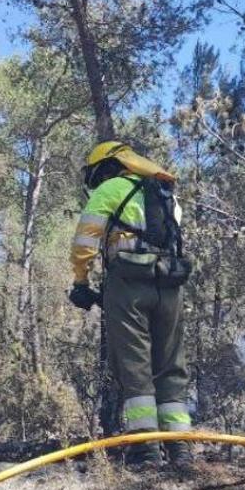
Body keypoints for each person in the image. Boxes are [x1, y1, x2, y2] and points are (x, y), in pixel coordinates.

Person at [69, 141, 195, 469]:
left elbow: (85, 241)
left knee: (134, 364)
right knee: (170, 364)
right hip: (169, 284)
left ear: (107, 167)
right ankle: (180, 449)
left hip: (127, 284)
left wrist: (81, 282)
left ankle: (147, 450)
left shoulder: (110, 189)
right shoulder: (166, 194)